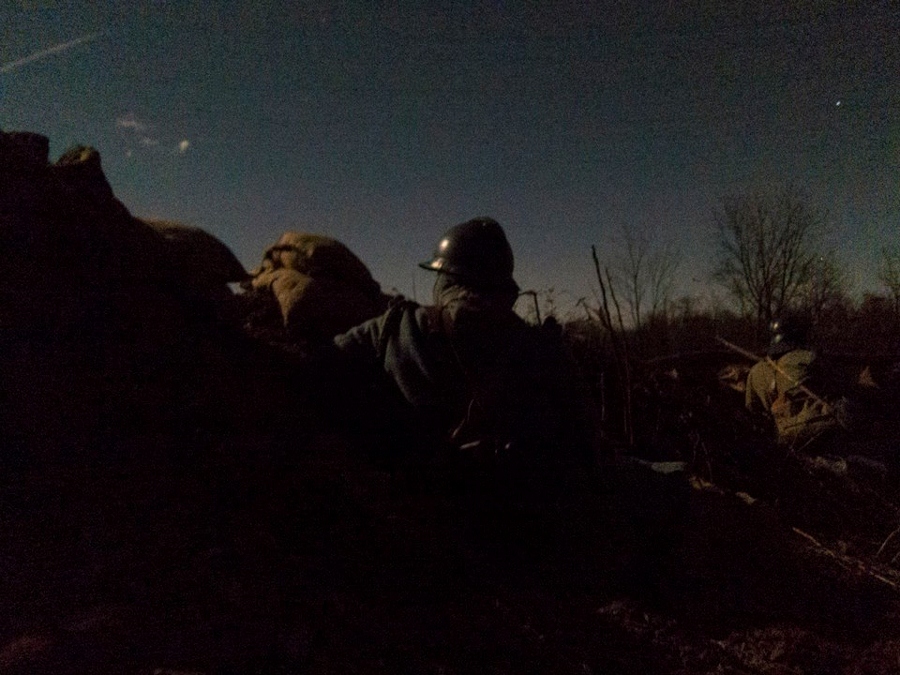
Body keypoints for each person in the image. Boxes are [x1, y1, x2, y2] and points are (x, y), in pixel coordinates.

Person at [331, 217, 597, 493]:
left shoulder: (398, 327)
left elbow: (327, 360)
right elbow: (585, 442)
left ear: (446, 279)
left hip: (415, 509)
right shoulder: (545, 350)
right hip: (523, 517)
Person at [744, 314, 841, 447]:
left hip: (781, 437)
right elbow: (838, 386)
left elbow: (752, 408)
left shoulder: (754, 372)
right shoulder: (809, 358)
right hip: (818, 432)